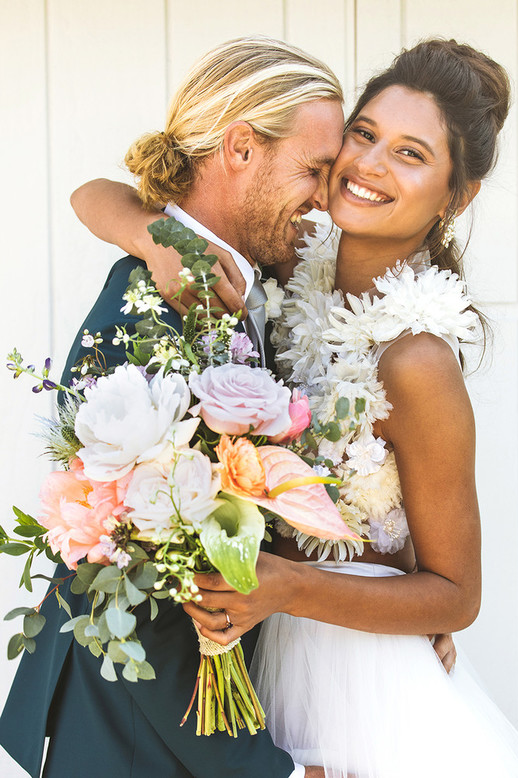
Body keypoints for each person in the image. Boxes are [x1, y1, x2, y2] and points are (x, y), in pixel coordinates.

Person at [70, 39, 518, 777]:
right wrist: (148, 235)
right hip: (269, 665)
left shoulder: (416, 359)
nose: (366, 168)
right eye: (363, 136)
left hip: (359, 688)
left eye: (411, 154)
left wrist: (304, 585)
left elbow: (456, 593)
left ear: (457, 195)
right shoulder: (286, 270)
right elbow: (95, 194)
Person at [0, 36, 346, 778]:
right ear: (241, 147)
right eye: (313, 170)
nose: (323, 196)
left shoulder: (232, 285)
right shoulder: (152, 302)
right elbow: (133, 581)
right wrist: (268, 771)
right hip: (130, 739)